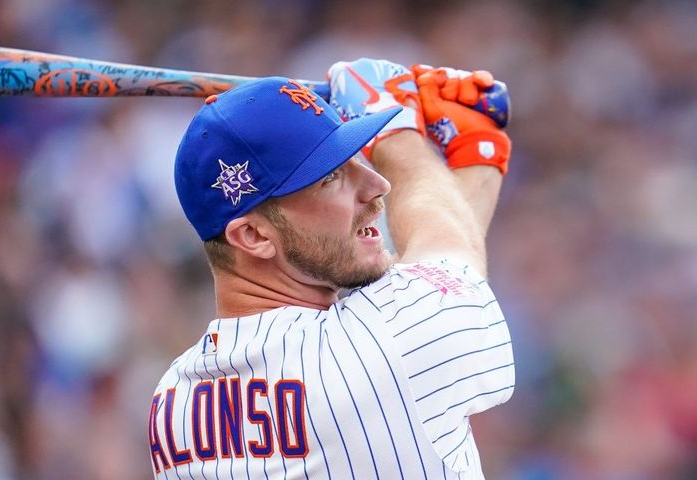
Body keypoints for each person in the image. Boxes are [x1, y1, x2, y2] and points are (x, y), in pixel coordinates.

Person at [148, 58, 514, 479]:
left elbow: (447, 243)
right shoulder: (382, 344)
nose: (378, 186)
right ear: (254, 236)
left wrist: (477, 148)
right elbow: (447, 248)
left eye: (357, 160)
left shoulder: (173, 402)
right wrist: (398, 133)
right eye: (331, 177)